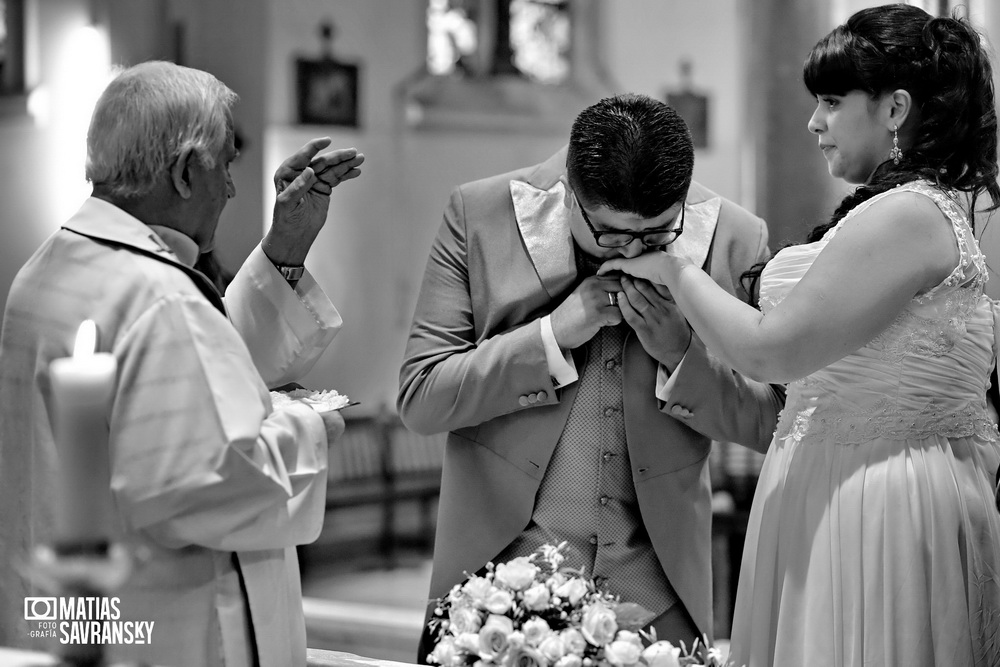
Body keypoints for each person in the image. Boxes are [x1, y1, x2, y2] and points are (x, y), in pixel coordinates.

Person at [599, 6, 1000, 666]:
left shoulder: (911, 214)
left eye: (833, 101)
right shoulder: (897, 209)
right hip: (837, 480)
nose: (814, 123)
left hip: (877, 502)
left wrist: (673, 270)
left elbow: (770, 348)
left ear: (895, 107)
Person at [0, 61, 365, 667]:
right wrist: (307, 427)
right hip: (159, 628)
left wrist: (288, 244)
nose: (230, 186)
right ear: (185, 171)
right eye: (225, 164)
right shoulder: (157, 292)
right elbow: (205, 485)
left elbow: (199, 371)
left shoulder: (54, 263)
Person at [398, 93, 785, 660]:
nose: (631, 254)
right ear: (570, 195)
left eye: (655, 237)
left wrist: (683, 355)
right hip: (502, 590)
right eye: (610, 236)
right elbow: (420, 397)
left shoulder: (733, 237)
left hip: (661, 601)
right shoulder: (478, 217)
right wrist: (551, 335)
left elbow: (777, 421)